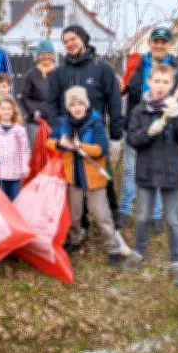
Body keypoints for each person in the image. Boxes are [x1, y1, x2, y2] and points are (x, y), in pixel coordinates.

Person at [47, 86, 141, 268]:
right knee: (74, 215)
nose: (76, 108)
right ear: (68, 107)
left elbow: (101, 149)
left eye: (80, 103)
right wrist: (61, 143)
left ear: (86, 105)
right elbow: (49, 141)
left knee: (101, 215)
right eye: (73, 104)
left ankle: (113, 247)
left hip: (94, 178)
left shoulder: (96, 122)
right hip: (73, 177)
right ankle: (75, 238)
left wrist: (80, 146)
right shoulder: (62, 122)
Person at [118, 25, 178, 230]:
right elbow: (124, 89)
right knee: (130, 170)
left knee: (158, 170)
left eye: (164, 42)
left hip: (163, 127)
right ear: (149, 43)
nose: (159, 45)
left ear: (170, 45)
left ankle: (156, 215)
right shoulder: (136, 65)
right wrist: (119, 87)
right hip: (136, 125)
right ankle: (125, 210)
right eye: (156, 41)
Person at [124, 64, 178, 286]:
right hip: (146, 172)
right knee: (142, 217)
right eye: (157, 81)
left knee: (174, 220)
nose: (160, 86)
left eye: (166, 82)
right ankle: (138, 251)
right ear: (149, 81)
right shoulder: (140, 110)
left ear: (172, 85)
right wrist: (147, 133)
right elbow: (132, 140)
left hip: (170, 173)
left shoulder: (176, 107)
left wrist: (177, 117)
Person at [47, 25, 123, 228]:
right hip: (70, 134)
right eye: (65, 41)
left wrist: (116, 135)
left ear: (83, 38)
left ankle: (112, 219)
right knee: (75, 179)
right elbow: (51, 104)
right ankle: (79, 225)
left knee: (100, 174)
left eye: (73, 38)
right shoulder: (59, 73)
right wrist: (58, 129)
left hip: (94, 133)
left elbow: (114, 101)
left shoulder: (102, 68)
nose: (70, 43)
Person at [0, 96, 31, 200]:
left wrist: (24, 166)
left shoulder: (19, 128)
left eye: (9, 109)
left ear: (14, 110)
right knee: (0, 199)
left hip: (14, 171)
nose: (6, 111)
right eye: (3, 109)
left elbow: (24, 150)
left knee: (13, 199)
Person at [20, 39, 55, 147]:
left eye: (48, 54)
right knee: (36, 150)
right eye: (42, 54)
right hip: (35, 121)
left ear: (53, 55)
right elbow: (24, 97)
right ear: (37, 57)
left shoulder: (59, 73)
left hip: (54, 121)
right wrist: (34, 111)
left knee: (53, 151)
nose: (45, 57)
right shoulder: (31, 75)